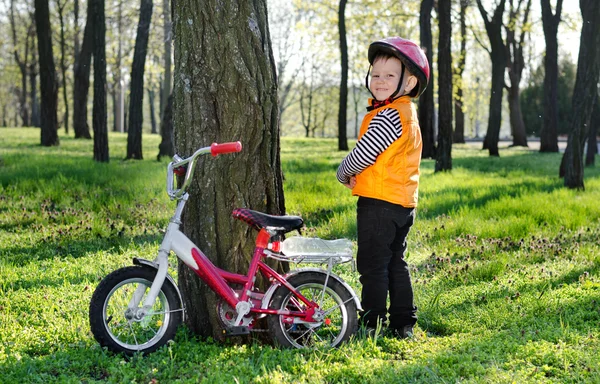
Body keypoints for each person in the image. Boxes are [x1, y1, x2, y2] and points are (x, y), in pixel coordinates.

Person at [336, 37, 430, 338]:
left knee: (373, 265)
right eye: (376, 75)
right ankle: (403, 323)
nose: (380, 81)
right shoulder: (406, 113)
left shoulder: (388, 115)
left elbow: (365, 154)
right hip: (402, 203)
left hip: (379, 204)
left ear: (410, 81)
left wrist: (343, 172)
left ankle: (372, 323)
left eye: (390, 75)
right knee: (395, 263)